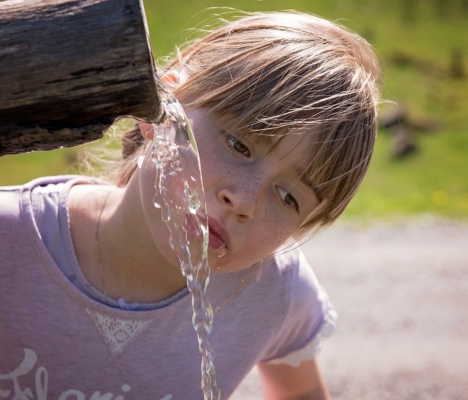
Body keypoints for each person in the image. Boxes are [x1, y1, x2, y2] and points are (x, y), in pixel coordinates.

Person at [0, 11, 380, 400]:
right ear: (162, 107)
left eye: (288, 197)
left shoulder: (272, 290)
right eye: (239, 145)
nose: (244, 201)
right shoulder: (9, 240)